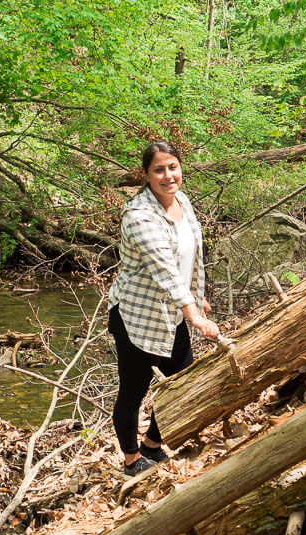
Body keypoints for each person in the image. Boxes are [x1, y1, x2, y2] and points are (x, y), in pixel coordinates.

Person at [108, 141, 219, 475]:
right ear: (145, 174)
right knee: (134, 390)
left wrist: (196, 296)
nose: (168, 176)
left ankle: (152, 446)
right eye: (159, 169)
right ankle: (131, 460)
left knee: (184, 379)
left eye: (173, 167)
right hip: (137, 317)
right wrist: (194, 316)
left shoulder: (181, 201)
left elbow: (189, 257)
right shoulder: (140, 216)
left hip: (172, 312)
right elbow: (165, 272)